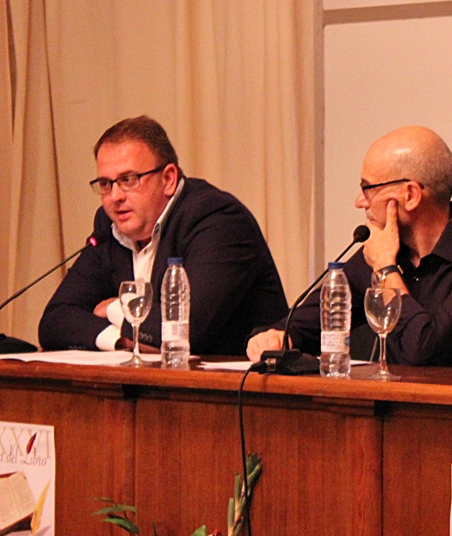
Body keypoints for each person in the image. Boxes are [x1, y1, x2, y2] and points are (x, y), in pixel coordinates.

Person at [245, 126, 452, 369]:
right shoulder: (384, 251)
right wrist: (278, 335)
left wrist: (387, 270)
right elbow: (305, 322)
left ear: (410, 195)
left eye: (368, 188)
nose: (360, 201)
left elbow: (423, 350)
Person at [38, 116, 288, 356]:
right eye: (105, 184)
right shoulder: (109, 228)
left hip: (234, 392)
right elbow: (55, 321)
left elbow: (186, 331)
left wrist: (116, 309)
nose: (115, 197)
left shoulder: (218, 219)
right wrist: (119, 339)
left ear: (168, 179)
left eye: (128, 179)